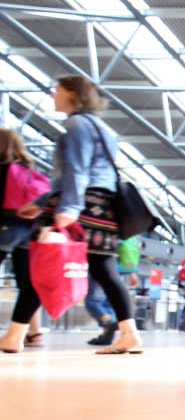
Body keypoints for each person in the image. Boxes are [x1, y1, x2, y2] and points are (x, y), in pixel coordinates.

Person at [6, 76, 144, 354]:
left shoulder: (77, 125)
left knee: (42, 267)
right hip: (101, 206)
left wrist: (67, 209)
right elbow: (90, 172)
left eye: (57, 90)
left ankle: (14, 336)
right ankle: (129, 333)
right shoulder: (101, 127)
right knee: (105, 272)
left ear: (72, 94)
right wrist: (41, 201)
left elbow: (78, 171)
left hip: (79, 205)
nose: (53, 95)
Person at [0, 128, 44, 353]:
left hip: (5, 226)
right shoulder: (29, 171)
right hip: (30, 230)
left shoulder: (3, 169)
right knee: (30, 284)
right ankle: (17, 336)